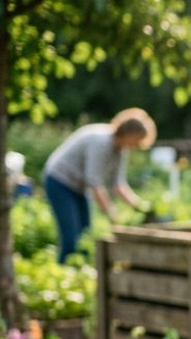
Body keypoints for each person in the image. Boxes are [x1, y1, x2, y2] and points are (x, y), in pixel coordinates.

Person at [42, 108, 156, 262]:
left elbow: (118, 184)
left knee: (86, 234)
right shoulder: (101, 142)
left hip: (79, 187)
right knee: (71, 237)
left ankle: (78, 272)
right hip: (59, 181)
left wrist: (140, 206)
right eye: (137, 141)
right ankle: (64, 272)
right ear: (129, 134)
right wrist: (112, 215)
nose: (137, 146)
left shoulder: (121, 150)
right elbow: (95, 183)